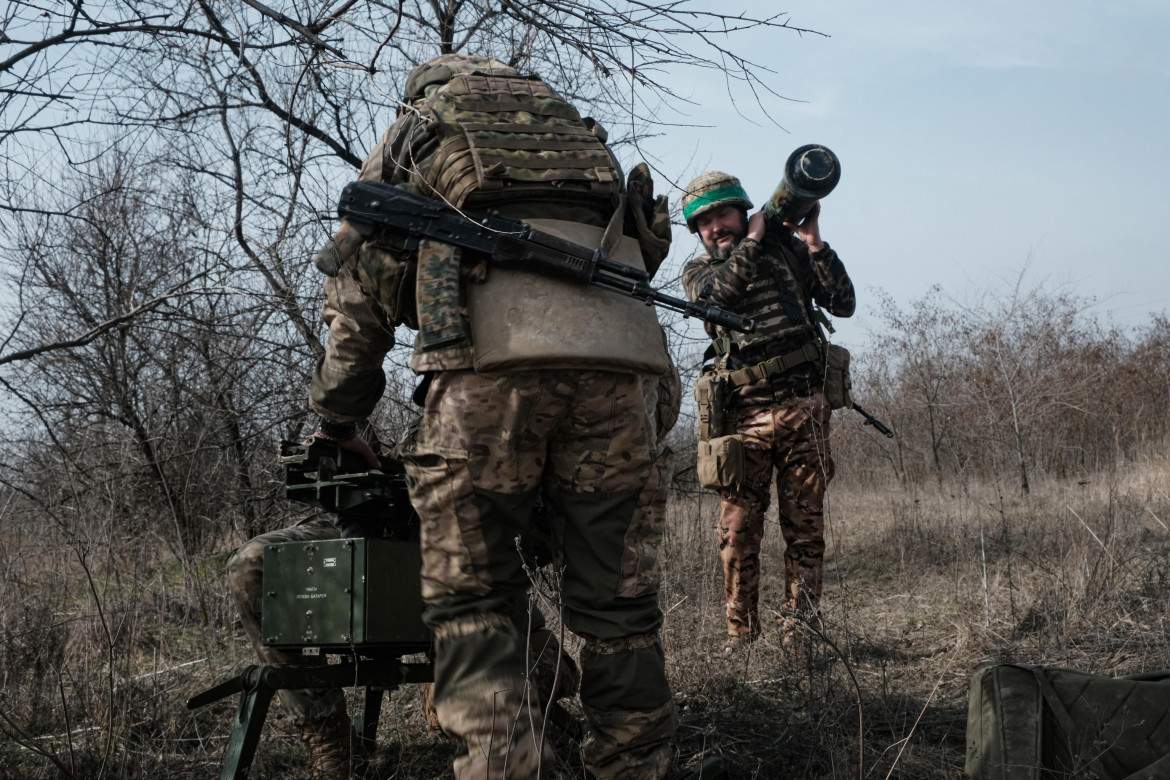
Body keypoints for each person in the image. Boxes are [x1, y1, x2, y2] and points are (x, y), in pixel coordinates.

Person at [307, 54, 681, 779]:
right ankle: (634, 767)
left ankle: (507, 767)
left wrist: (337, 417)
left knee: (471, 601)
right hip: (618, 378)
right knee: (619, 606)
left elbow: (356, 303)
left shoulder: (414, 133)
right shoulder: (580, 137)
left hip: (487, 379)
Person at [680, 171, 855, 652]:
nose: (717, 226)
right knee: (737, 535)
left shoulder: (785, 249)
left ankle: (800, 635)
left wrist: (815, 245)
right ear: (697, 231)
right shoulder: (699, 272)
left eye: (724, 214)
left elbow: (843, 304)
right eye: (706, 221)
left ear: (742, 209)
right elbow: (719, 301)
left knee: (805, 532)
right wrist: (754, 239)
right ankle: (742, 640)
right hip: (742, 421)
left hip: (803, 410)